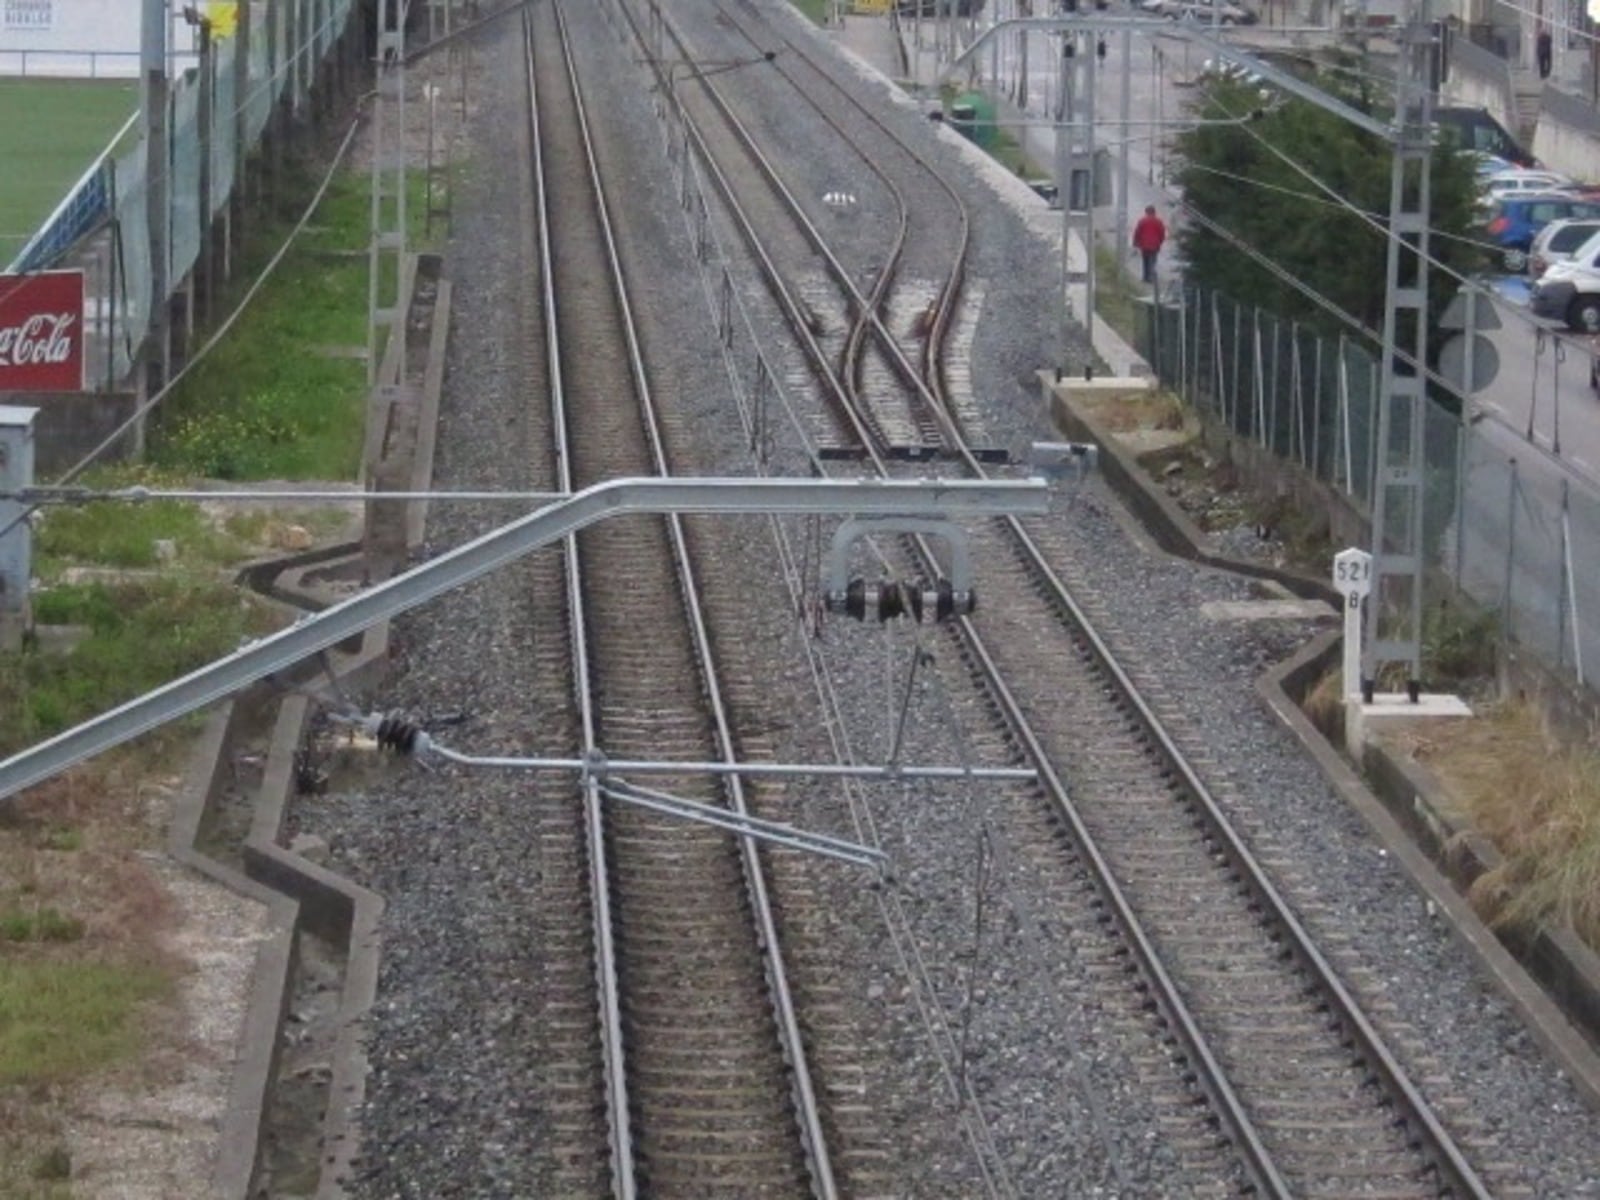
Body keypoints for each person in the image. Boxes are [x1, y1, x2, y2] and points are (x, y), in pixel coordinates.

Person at [1132, 205, 1167, 285]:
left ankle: (1145, 277)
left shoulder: (1142, 221)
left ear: (1146, 212)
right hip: (1155, 244)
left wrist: (1135, 243)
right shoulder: (1158, 221)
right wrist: (1160, 242)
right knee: (1153, 261)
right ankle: (1151, 276)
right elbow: (1162, 233)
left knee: (1145, 261)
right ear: (1154, 212)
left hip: (1144, 244)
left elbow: (1137, 232)